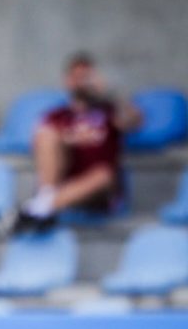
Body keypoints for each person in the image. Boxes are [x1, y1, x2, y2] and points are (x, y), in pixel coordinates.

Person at [14, 52, 142, 232]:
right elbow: (39, 143)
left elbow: (135, 122)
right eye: (77, 77)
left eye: (86, 76)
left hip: (100, 190)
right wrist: (66, 141)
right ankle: (44, 204)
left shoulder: (109, 111)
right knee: (47, 133)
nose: (82, 82)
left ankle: (36, 208)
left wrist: (110, 94)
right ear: (67, 81)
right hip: (64, 183)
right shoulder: (57, 115)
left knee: (103, 175)